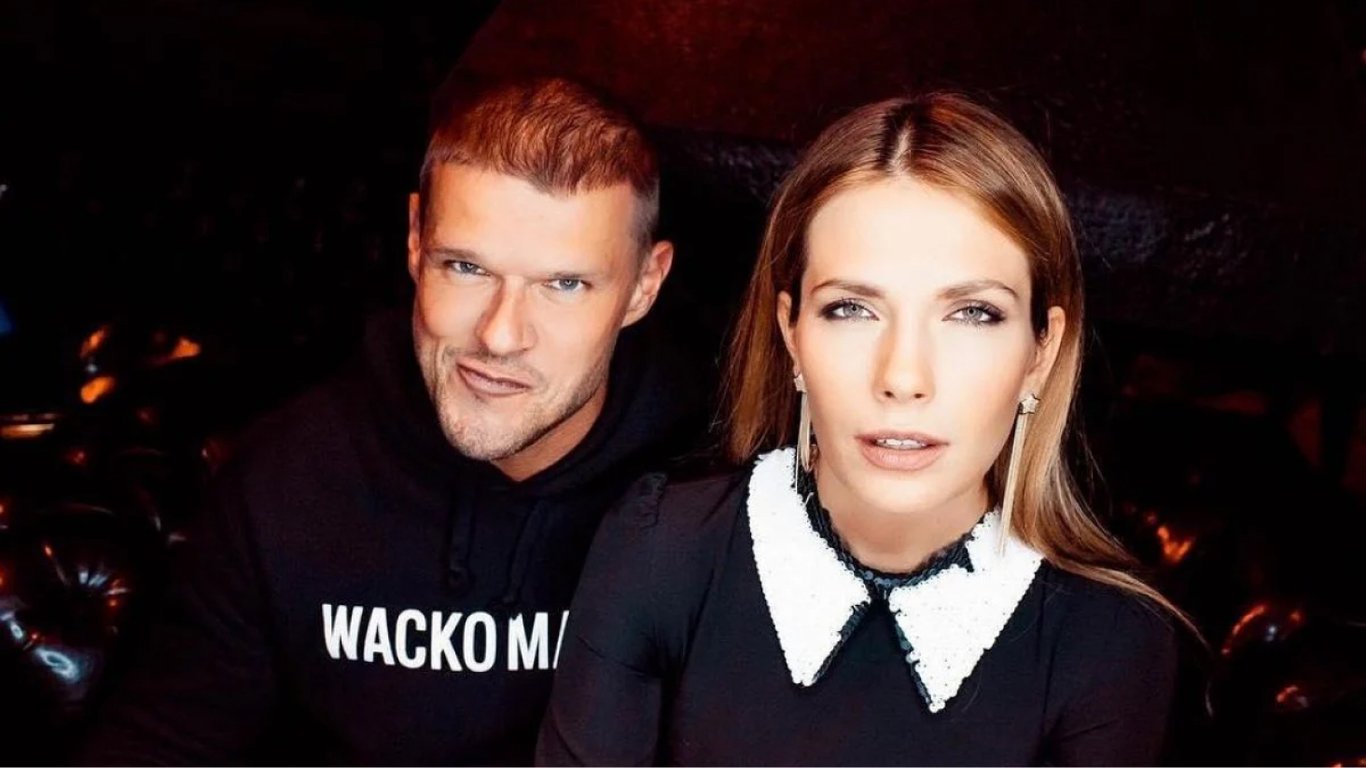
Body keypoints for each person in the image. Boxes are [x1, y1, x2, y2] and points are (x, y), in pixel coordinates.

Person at [538, 93, 1184, 766]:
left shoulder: (1110, 642)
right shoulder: (661, 550)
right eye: (851, 309)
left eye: (971, 313)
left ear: (1039, 355)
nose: (903, 376)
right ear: (792, 334)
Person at [82, 75, 702, 764]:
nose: (500, 336)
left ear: (644, 285)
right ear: (415, 239)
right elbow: (159, 744)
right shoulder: (289, 478)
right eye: (466, 268)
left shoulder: (719, 503)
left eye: (564, 285)